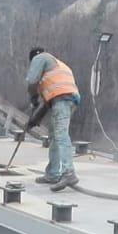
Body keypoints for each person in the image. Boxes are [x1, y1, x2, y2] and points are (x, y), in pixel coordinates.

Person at [25, 47, 81, 191]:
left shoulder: (40, 58)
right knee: (55, 136)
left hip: (62, 101)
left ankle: (69, 173)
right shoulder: (55, 70)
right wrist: (34, 120)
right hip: (67, 100)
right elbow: (46, 104)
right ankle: (52, 174)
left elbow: (31, 81)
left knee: (61, 135)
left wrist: (33, 98)